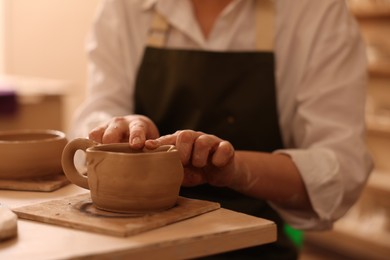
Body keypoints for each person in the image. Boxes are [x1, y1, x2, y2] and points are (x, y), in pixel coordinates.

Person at [69, 0, 373, 258]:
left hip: (255, 246)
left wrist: (236, 169)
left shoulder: (314, 10)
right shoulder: (127, 6)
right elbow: (96, 114)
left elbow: (339, 170)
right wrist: (117, 127)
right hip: (133, 244)